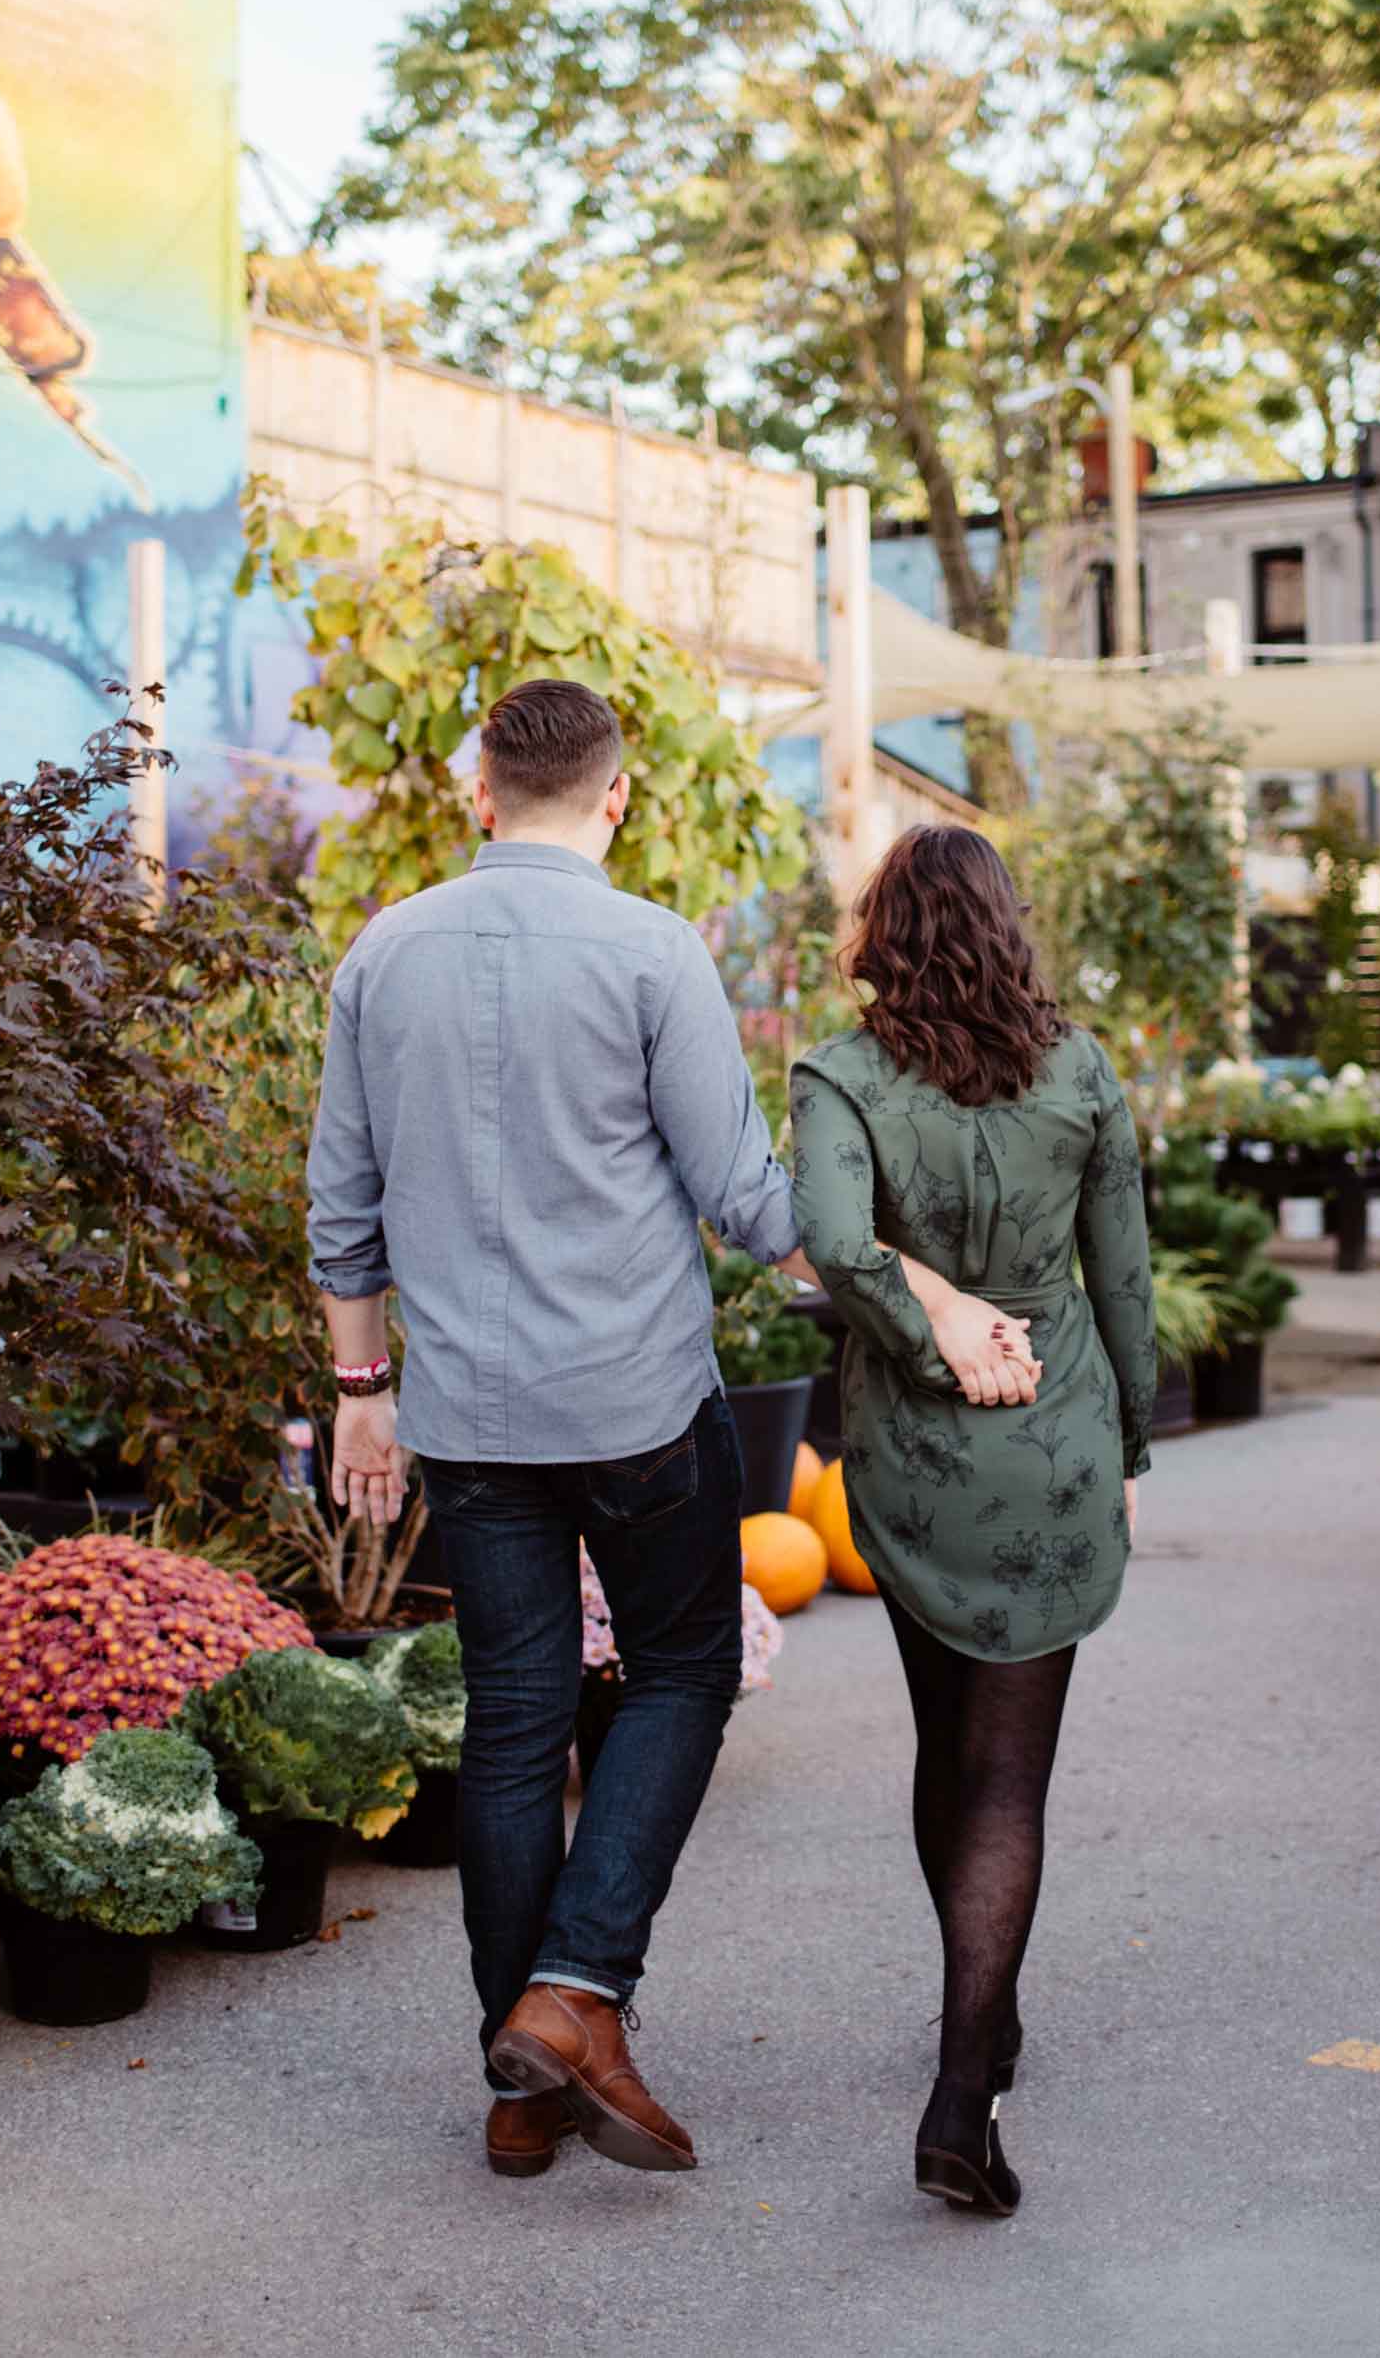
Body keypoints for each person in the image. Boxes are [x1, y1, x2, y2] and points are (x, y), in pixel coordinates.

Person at [307, 679, 1025, 2182]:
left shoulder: (381, 954)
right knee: (683, 1671)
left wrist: (360, 1399)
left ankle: (524, 2086)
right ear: (617, 797)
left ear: (481, 792)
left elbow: (344, 1209)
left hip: (468, 1421)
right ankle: (574, 1997)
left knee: (511, 1723)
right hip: (636, 1405)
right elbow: (759, 1207)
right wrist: (937, 1300)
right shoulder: (650, 953)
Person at [787, 824, 1155, 2220]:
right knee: (1011, 1775)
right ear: (1007, 927)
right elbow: (1122, 1273)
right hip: (1052, 1444)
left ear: (883, 932)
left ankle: (979, 2033)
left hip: (913, 1457)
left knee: (948, 1745)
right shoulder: (1079, 1069)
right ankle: (966, 2079)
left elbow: (833, 1240)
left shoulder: (843, 1073)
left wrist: (931, 1341)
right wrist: (1127, 1441)